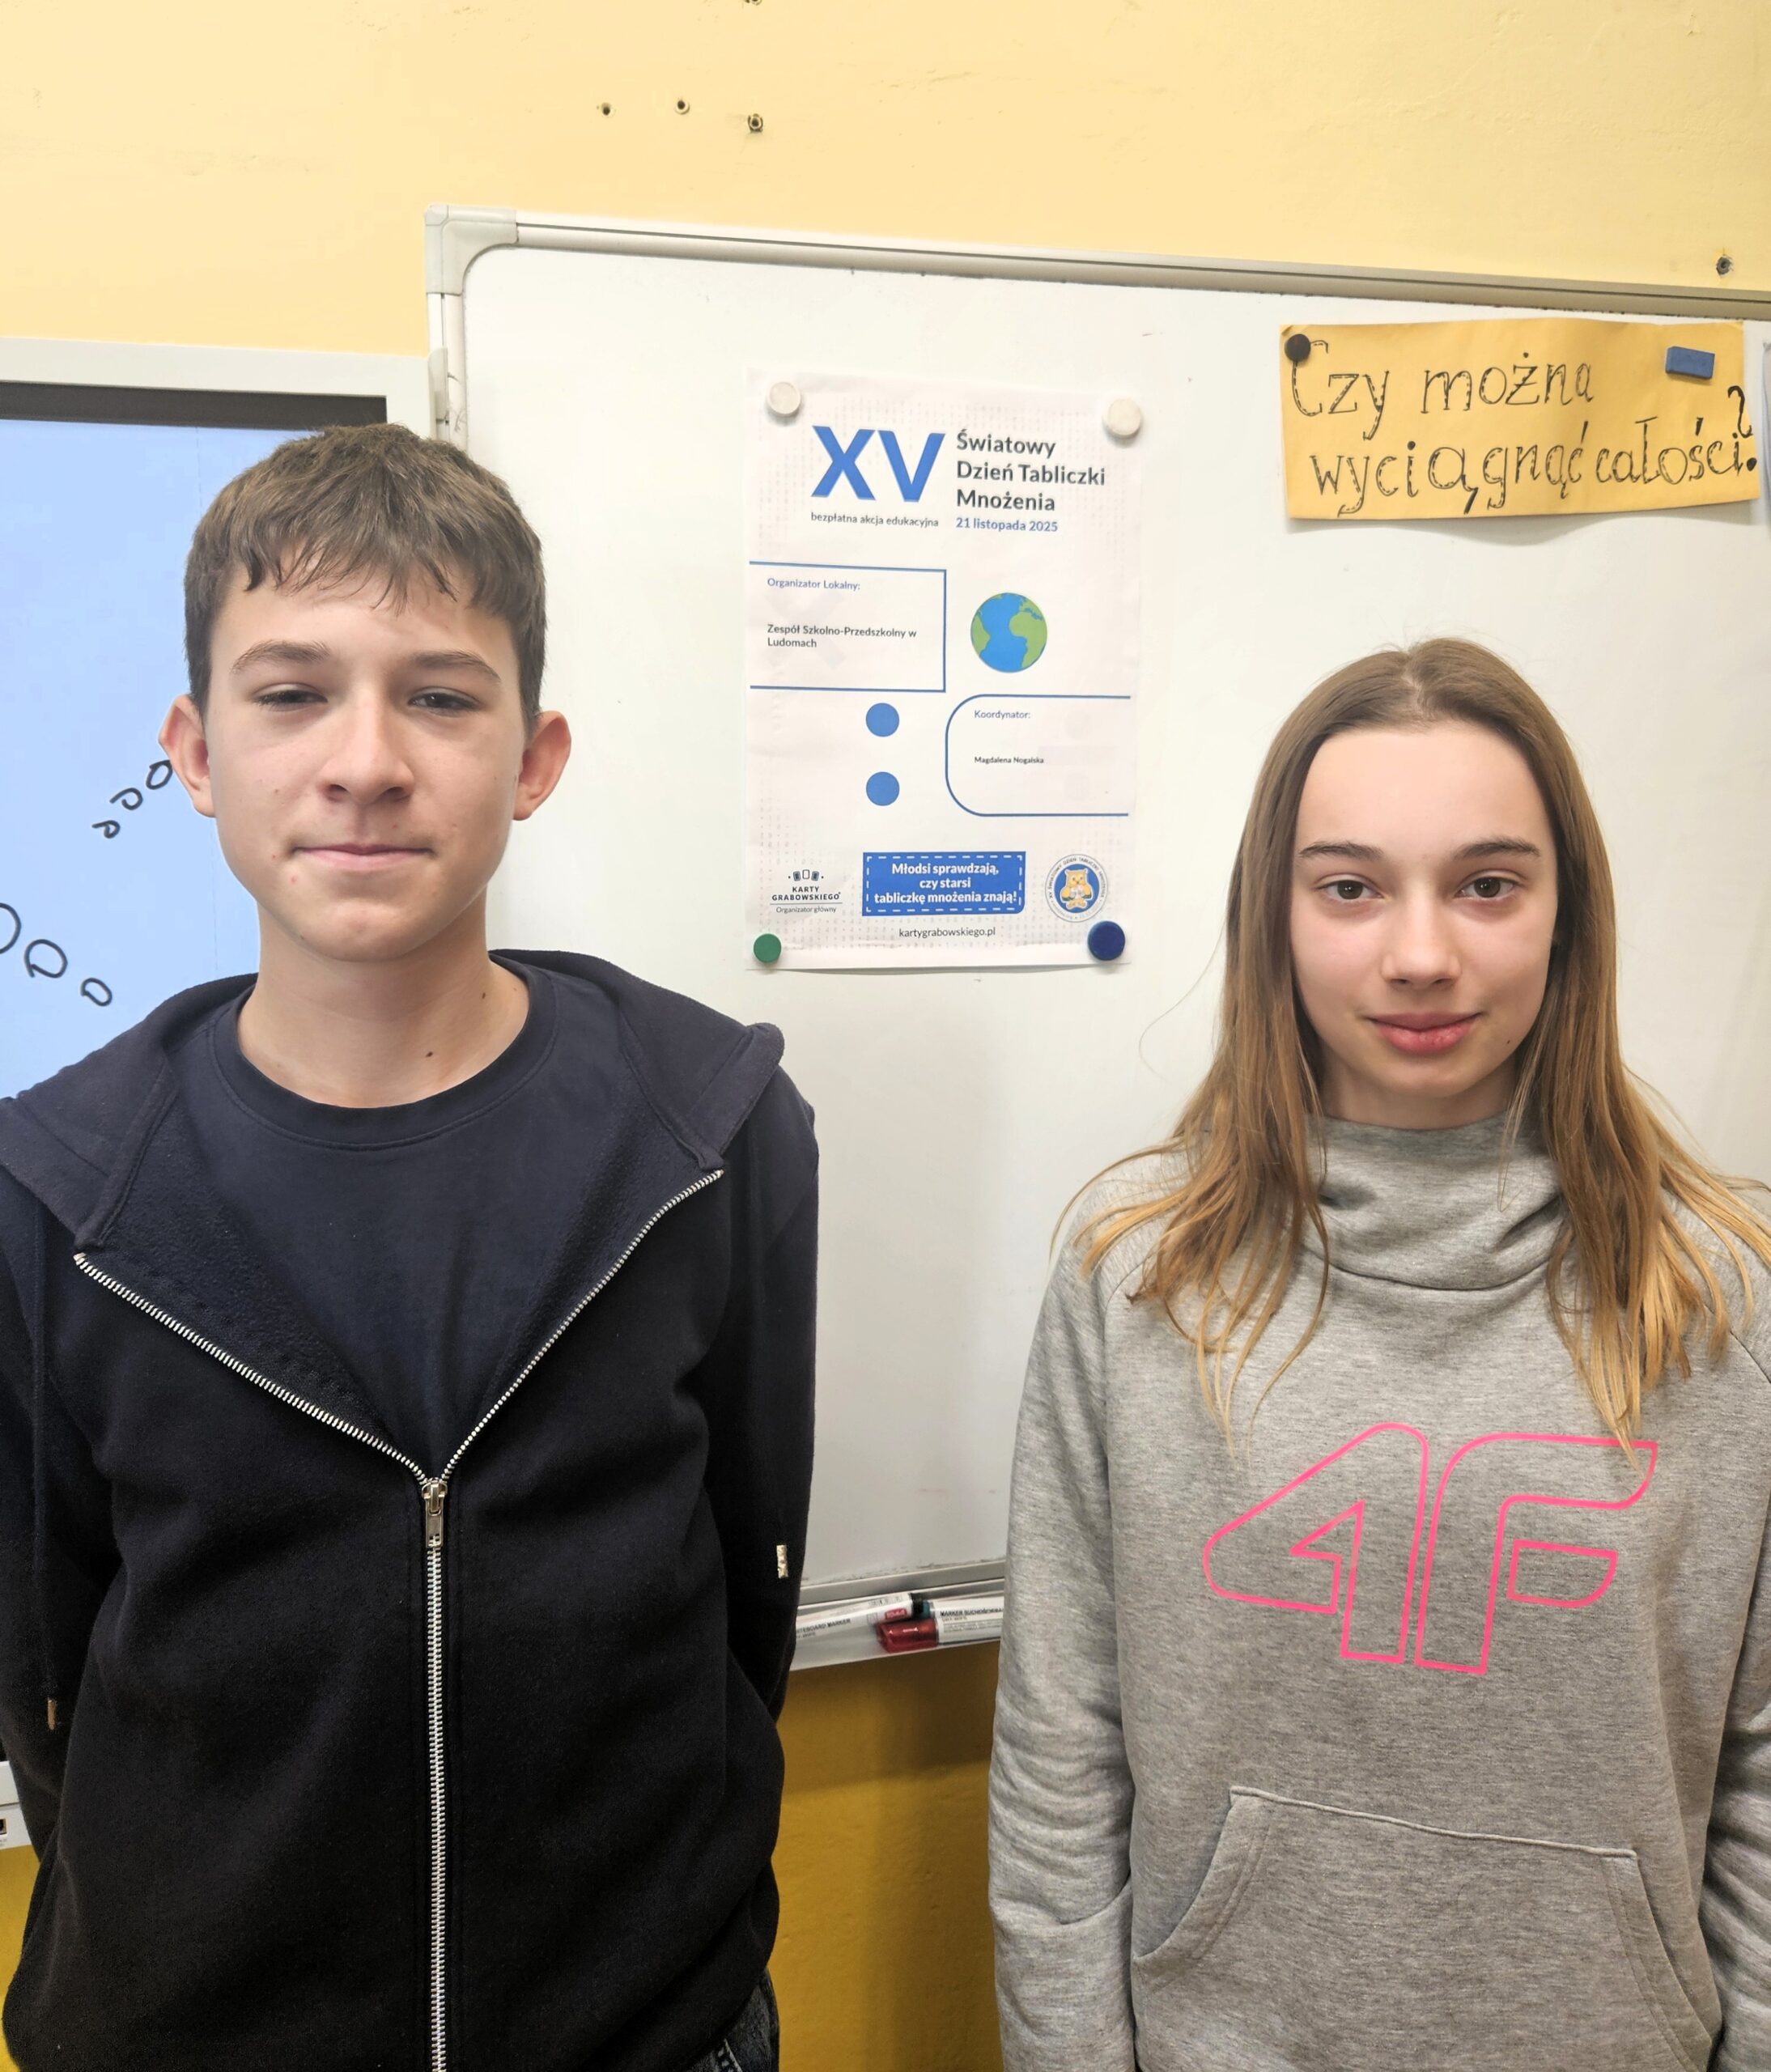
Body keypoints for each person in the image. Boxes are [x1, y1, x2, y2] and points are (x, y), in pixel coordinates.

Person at [0, 424, 816, 2072]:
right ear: (196, 751)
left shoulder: (707, 1133)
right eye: (291, 693)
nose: (365, 761)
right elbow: (47, 1669)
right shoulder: (63, 1189)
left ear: (534, 756)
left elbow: (747, 1579)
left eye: (440, 696)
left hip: (650, 2028)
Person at [988, 639, 1771, 2071]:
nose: (1421, 954)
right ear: (1274, 919)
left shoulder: (1722, 1296)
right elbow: (1060, 1757)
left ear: (1568, 916)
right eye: (1350, 888)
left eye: (1488, 884)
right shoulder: (1138, 1272)